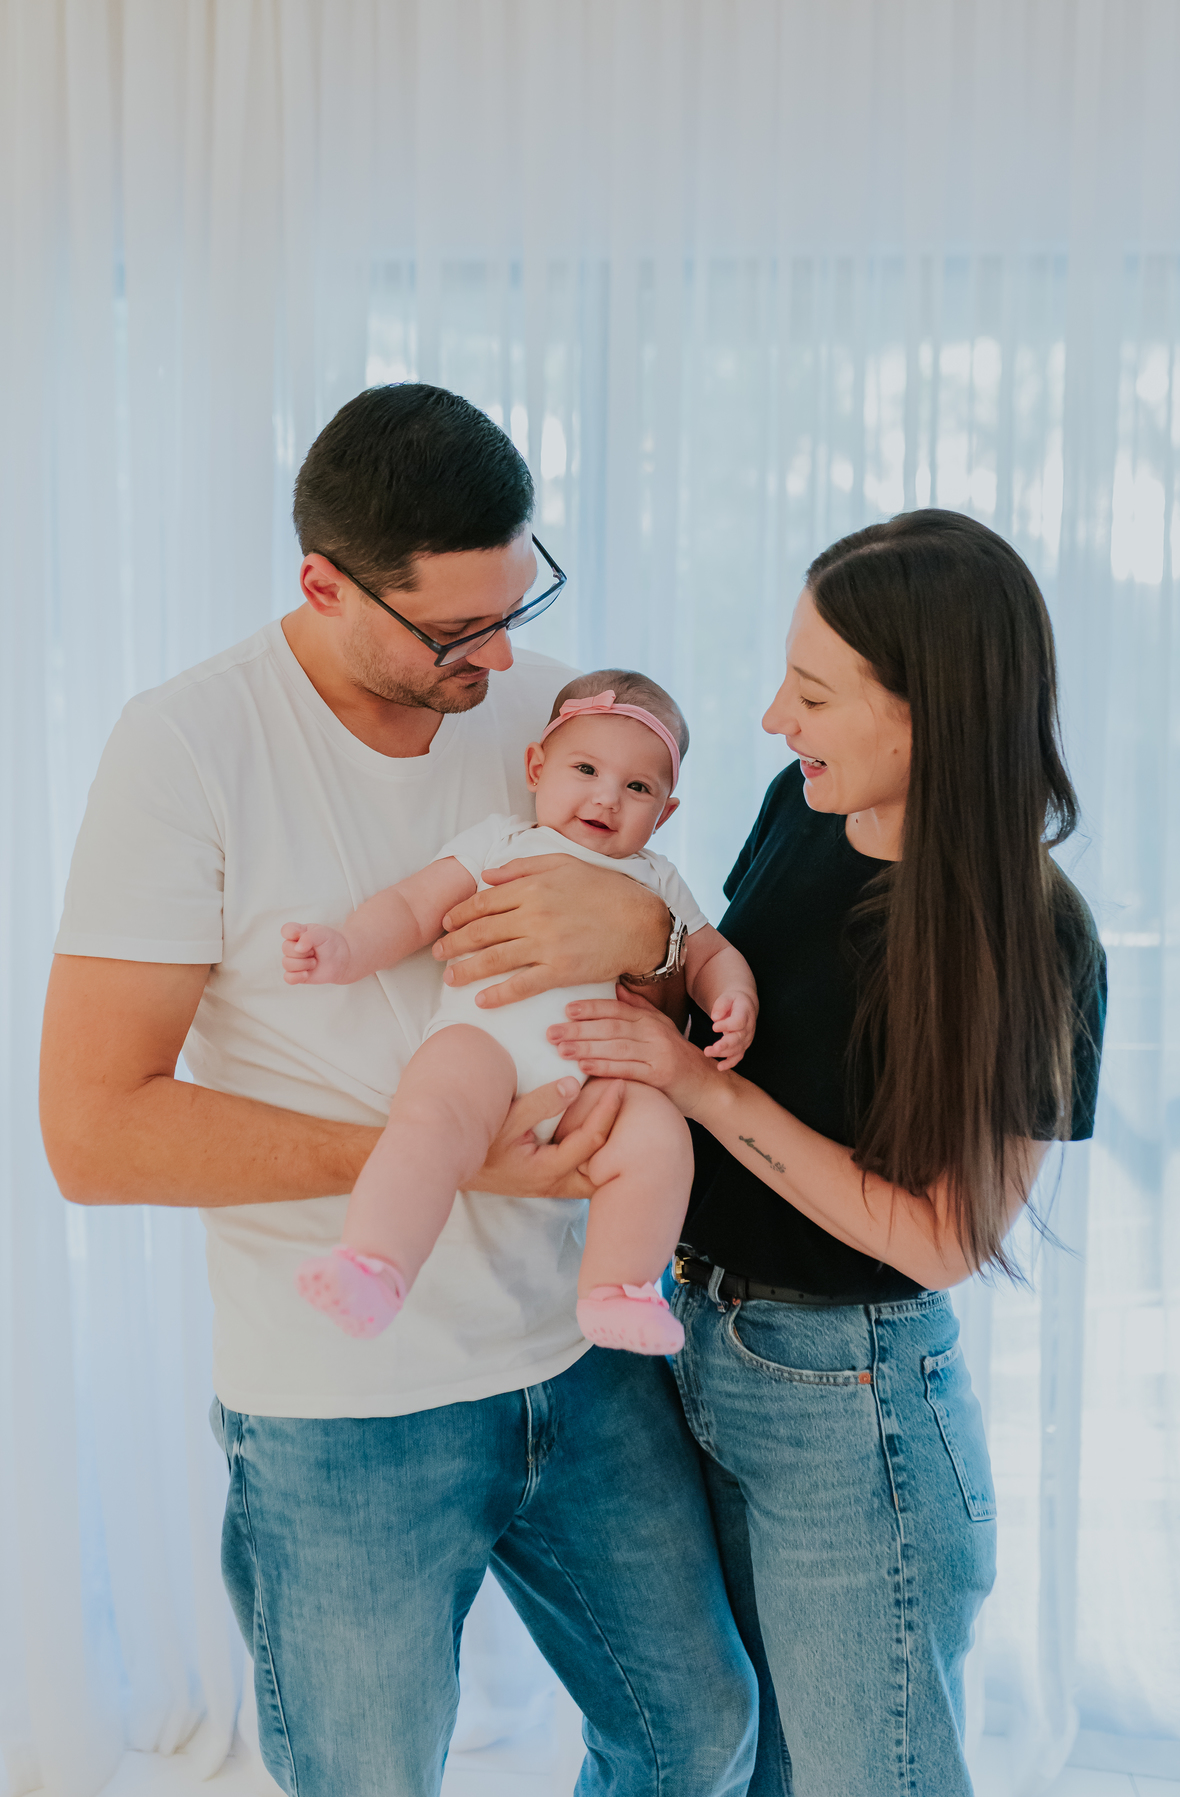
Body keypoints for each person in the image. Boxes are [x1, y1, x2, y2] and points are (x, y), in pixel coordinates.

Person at [39, 384, 758, 1796]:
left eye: (516, 602)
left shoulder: (551, 718)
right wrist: (445, 1155)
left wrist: (658, 941)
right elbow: (96, 1132)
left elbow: (667, 962)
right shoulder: (187, 748)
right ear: (323, 583)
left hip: (580, 1355)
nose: (497, 655)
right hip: (345, 1410)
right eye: (454, 631)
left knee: (698, 1732)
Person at [543, 511, 1108, 1796]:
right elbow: (713, 997)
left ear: (928, 713)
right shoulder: (797, 811)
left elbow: (940, 1240)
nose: (771, 721)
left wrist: (690, 1082)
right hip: (694, 1341)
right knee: (739, 1763)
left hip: (851, 1412)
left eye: (811, 694)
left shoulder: (1033, 937)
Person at [284, 670, 758, 1353]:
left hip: (602, 1074)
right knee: (432, 1119)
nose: (606, 797)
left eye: (638, 787)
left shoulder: (658, 878)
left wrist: (732, 996)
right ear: (538, 766)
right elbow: (415, 906)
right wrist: (347, 947)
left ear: (667, 811)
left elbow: (708, 953)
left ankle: (616, 1289)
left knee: (661, 1140)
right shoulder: (501, 842)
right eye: (586, 768)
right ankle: (374, 1263)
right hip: (486, 1042)